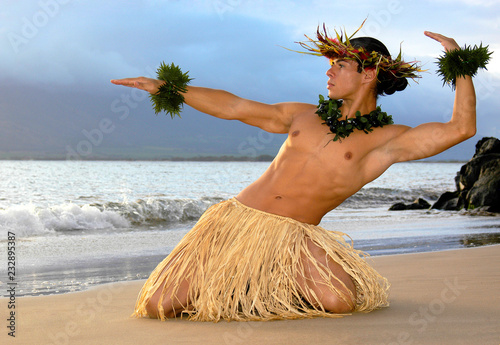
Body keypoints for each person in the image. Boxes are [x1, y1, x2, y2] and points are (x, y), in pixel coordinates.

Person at [111, 27, 483, 322]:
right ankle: (238, 283)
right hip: (236, 223)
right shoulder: (304, 115)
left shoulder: (387, 141)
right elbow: (234, 107)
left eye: (340, 65)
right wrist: (167, 87)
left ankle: (266, 280)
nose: (329, 71)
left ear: (368, 73)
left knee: (339, 301)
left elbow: (461, 128)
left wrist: (458, 61)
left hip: (295, 238)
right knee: (157, 306)